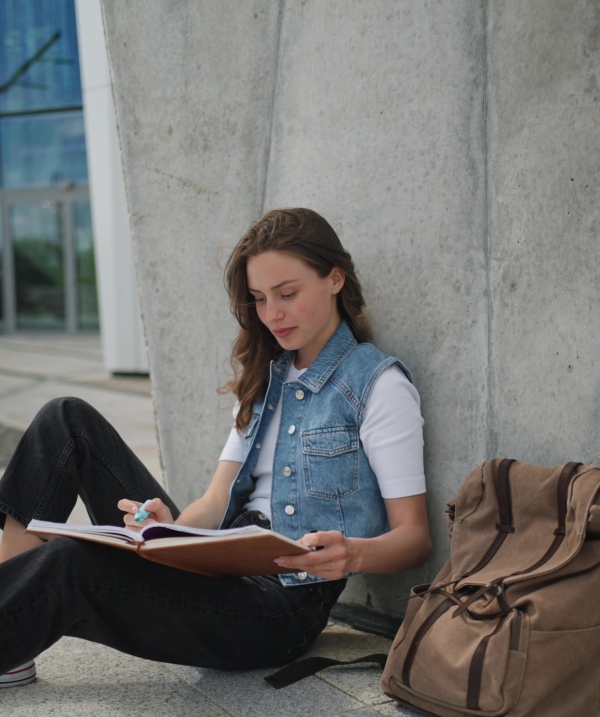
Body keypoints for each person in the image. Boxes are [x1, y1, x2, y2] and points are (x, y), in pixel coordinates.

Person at [0, 208, 431, 687]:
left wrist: (351, 555)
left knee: (72, 562)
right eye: (259, 298)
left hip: (280, 608)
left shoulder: (378, 385)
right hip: (219, 559)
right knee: (65, 420)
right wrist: (167, 531)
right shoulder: (267, 379)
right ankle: (12, 645)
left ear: (334, 279)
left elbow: (414, 538)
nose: (272, 315)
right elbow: (214, 501)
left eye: (287, 294)